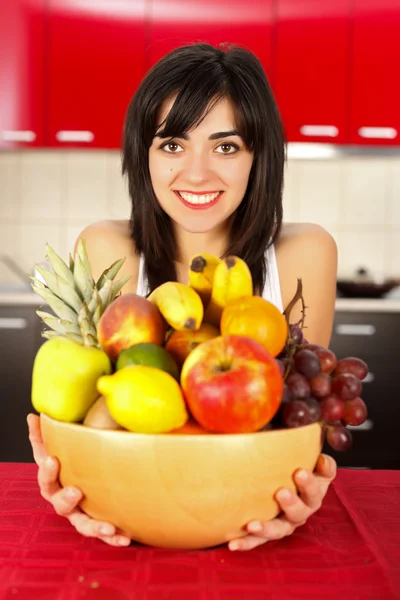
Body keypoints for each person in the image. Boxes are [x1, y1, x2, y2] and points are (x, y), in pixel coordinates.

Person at [27, 42, 338, 551]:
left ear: (260, 156)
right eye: (172, 145)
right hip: (132, 514)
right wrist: (71, 477)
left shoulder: (306, 254)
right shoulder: (106, 250)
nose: (196, 174)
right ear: (142, 153)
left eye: (226, 146)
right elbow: (85, 416)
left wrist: (305, 483)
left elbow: (304, 422)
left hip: (246, 513)